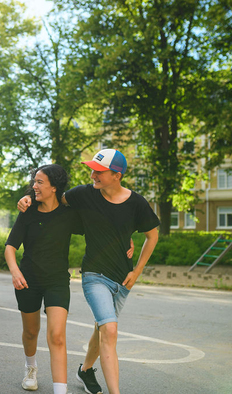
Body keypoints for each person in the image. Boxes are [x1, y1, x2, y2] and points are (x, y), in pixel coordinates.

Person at [18, 149, 159, 394]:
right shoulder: (84, 194)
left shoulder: (136, 202)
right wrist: (29, 197)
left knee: (103, 327)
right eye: (92, 169)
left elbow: (152, 235)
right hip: (94, 273)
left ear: (117, 175)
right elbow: (53, 199)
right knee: (110, 329)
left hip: (123, 277)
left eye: (99, 171)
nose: (92, 174)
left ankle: (85, 370)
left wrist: (137, 270)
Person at [5, 164, 83, 394]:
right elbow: (10, 246)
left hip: (57, 281)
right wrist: (15, 271)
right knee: (31, 332)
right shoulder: (27, 211)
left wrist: (125, 238)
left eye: (39, 182)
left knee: (57, 336)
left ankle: (60, 390)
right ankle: (31, 368)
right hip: (27, 280)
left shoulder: (69, 215)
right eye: (34, 181)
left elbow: (98, 227)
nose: (34, 186)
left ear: (54, 187)